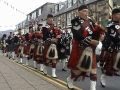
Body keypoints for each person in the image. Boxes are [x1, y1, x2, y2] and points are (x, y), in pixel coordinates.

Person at [67, 5, 105, 90]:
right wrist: (92, 41)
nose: (86, 13)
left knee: (93, 71)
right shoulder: (75, 21)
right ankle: (70, 79)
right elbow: (77, 36)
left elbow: (95, 32)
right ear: (79, 12)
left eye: (87, 11)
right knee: (78, 71)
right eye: (84, 11)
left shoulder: (91, 20)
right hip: (80, 49)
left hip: (91, 49)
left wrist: (100, 35)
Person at [100, 8, 120, 88]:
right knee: (108, 67)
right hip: (112, 48)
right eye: (119, 14)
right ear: (114, 15)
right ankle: (103, 77)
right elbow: (115, 37)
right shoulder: (111, 26)